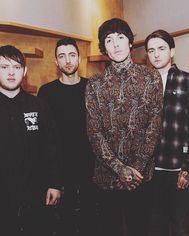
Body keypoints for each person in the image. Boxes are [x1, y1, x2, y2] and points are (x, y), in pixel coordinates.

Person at [85, 18, 163, 236]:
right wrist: (119, 169)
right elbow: (94, 132)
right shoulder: (94, 83)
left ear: (130, 42)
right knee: (110, 230)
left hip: (141, 175)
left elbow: (154, 126)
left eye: (120, 37)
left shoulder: (151, 77)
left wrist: (135, 168)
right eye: (109, 40)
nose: (116, 44)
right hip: (107, 176)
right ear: (104, 48)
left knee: (141, 228)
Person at [144, 29, 189, 236]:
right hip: (150, 172)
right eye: (151, 50)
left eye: (161, 49)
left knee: (179, 227)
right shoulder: (143, 85)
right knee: (154, 226)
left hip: (178, 170)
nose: (156, 54)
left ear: (171, 51)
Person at [0, 45, 62, 236]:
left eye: (17, 67)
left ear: (25, 72)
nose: (11, 73)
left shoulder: (39, 106)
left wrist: (55, 183)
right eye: (4, 67)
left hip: (35, 194)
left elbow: (52, 148)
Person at [37, 37, 97, 236]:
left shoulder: (92, 88)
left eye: (72, 55)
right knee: (64, 222)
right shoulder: (46, 92)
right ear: (56, 61)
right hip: (61, 168)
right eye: (62, 56)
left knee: (91, 219)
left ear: (79, 58)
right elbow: (44, 136)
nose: (68, 60)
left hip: (91, 166)